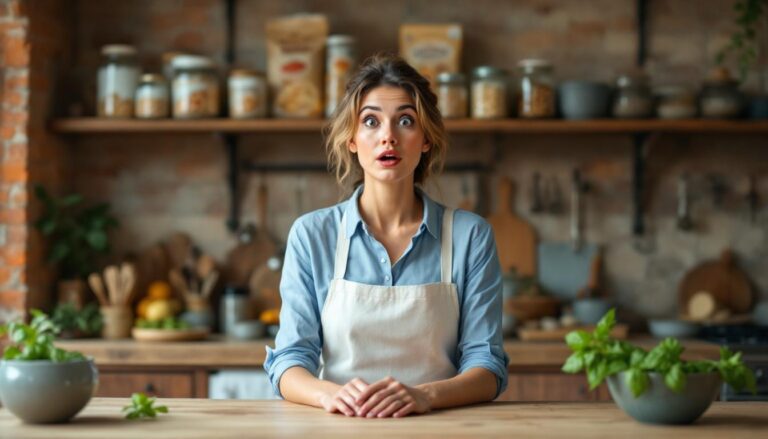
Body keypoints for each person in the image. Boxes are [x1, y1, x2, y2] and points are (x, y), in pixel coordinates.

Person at [264, 53, 508, 418]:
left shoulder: (470, 236)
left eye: (406, 121)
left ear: (426, 139)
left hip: (440, 428)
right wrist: (331, 395)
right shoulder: (312, 235)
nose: (388, 137)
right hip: (341, 428)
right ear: (351, 138)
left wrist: (425, 396)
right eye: (371, 121)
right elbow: (289, 361)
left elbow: (487, 366)